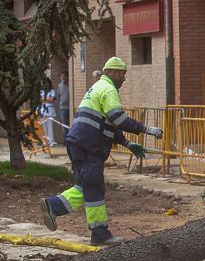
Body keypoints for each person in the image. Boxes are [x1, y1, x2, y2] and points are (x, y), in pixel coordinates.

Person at [39, 57, 164, 246]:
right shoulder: (108, 89)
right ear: (113, 72)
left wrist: (128, 143)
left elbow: (109, 124)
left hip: (80, 143)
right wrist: (146, 129)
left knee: (86, 185)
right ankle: (99, 233)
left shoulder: (97, 88)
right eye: (122, 74)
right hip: (89, 146)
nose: (124, 79)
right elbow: (118, 119)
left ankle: (54, 206)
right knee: (94, 187)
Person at [39, 78, 57, 146]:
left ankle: (51, 141)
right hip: (42, 110)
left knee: (50, 126)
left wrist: (45, 99)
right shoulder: (41, 91)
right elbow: (40, 99)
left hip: (50, 110)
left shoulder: (52, 90)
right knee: (43, 126)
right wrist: (46, 99)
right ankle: (45, 141)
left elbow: (52, 99)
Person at [57, 72, 70, 142]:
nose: (63, 77)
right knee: (64, 124)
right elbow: (58, 96)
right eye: (61, 76)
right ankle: (65, 141)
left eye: (64, 76)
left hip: (70, 108)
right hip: (63, 108)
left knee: (70, 124)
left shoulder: (70, 85)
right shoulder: (59, 86)